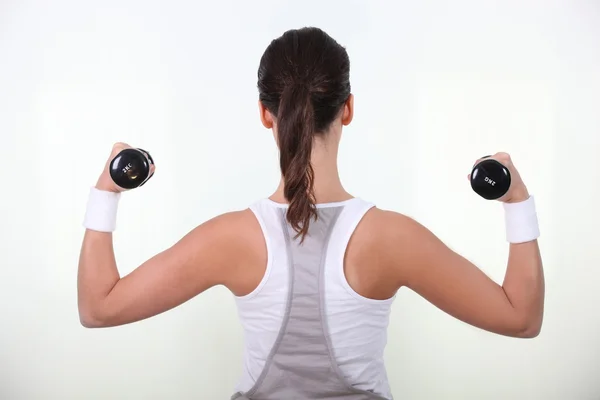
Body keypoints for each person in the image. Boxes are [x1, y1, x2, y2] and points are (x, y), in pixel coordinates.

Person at [78, 27, 544, 400]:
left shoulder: (232, 238)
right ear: (347, 110)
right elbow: (520, 317)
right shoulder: (390, 238)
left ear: (265, 114)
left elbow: (99, 308)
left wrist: (107, 192)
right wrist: (517, 201)